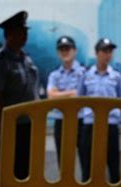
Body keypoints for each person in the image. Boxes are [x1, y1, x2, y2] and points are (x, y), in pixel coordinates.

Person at [0, 11, 39, 184]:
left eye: (25, 31)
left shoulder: (26, 59)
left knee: (24, 171)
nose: (25, 35)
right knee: (4, 172)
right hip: (8, 126)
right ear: (9, 34)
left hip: (26, 124)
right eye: (20, 32)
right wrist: (4, 126)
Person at [78, 38, 121, 183]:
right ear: (96, 53)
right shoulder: (86, 75)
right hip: (90, 125)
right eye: (104, 51)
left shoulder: (116, 77)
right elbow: (79, 99)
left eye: (110, 51)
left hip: (110, 125)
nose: (108, 55)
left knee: (113, 165)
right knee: (87, 164)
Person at [46, 36, 85, 168]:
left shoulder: (84, 73)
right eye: (61, 49)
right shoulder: (54, 75)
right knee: (63, 162)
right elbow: (51, 96)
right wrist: (71, 93)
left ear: (74, 51)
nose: (64, 52)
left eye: (67, 48)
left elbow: (79, 95)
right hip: (61, 120)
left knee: (86, 160)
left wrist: (60, 94)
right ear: (58, 52)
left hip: (80, 120)